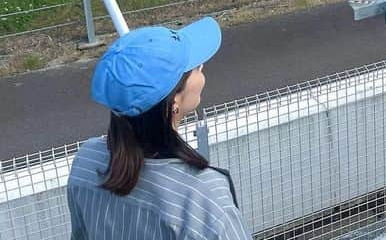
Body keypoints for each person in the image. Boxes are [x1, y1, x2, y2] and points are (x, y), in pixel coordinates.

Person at [66, 18, 251, 240]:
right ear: (173, 102)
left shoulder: (86, 163)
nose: (201, 66)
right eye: (193, 67)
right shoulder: (203, 197)